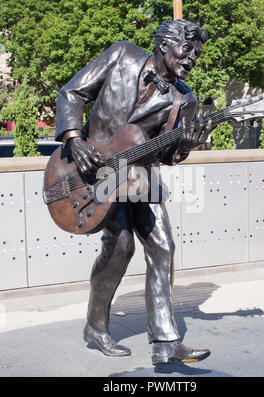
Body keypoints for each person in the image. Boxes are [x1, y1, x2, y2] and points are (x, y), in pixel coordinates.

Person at [55, 18, 212, 365]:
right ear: (165, 44)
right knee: (120, 245)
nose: (192, 59)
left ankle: (166, 342)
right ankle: (95, 327)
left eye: (197, 55)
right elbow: (71, 93)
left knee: (163, 246)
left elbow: (168, 155)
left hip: (140, 175)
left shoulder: (184, 100)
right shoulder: (121, 54)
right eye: (187, 50)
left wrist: (185, 146)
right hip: (93, 169)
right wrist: (74, 139)